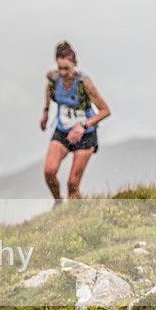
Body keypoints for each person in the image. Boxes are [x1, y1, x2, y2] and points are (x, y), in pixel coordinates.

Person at [40, 41, 111, 205]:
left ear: (75, 64)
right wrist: (45, 112)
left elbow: (106, 111)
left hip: (85, 134)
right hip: (63, 131)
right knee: (49, 171)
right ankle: (58, 203)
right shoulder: (54, 79)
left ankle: (76, 216)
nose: (63, 73)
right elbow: (48, 89)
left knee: (72, 184)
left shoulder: (84, 83)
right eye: (60, 68)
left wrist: (83, 126)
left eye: (67, 68)